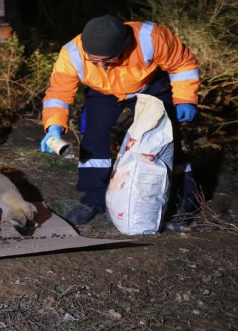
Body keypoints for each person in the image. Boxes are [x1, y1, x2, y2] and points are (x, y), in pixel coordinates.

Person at [40, 15, 200, 225]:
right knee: (93, 139)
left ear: (123, 47)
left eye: (109, 60)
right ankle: (94, 199)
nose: (103, 66)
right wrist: (53, 126)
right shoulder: (72, 54)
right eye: (94, 61)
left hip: (150, 85)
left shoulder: (151, 38)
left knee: (167, 140)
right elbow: (58, 93)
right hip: (103, 92)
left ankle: (183, 201)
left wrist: (185, 99)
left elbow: (183, 64)